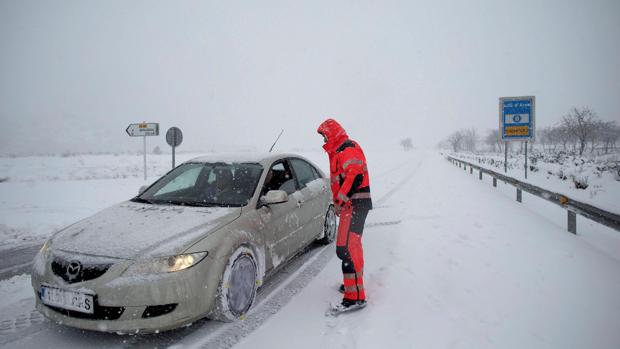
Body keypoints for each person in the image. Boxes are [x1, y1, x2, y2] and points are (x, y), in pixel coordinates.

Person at [317, 118, 372, 311]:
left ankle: (355, 297)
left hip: (356, 204)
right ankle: (353, 286)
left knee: (350, 248)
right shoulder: (337, 151)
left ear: (331, 133)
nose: (323, 139)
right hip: (349, 205)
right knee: (344, 248)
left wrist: (340, 201)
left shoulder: (347, 148)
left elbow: (355, 175)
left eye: (324, 135)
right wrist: (340, 204)